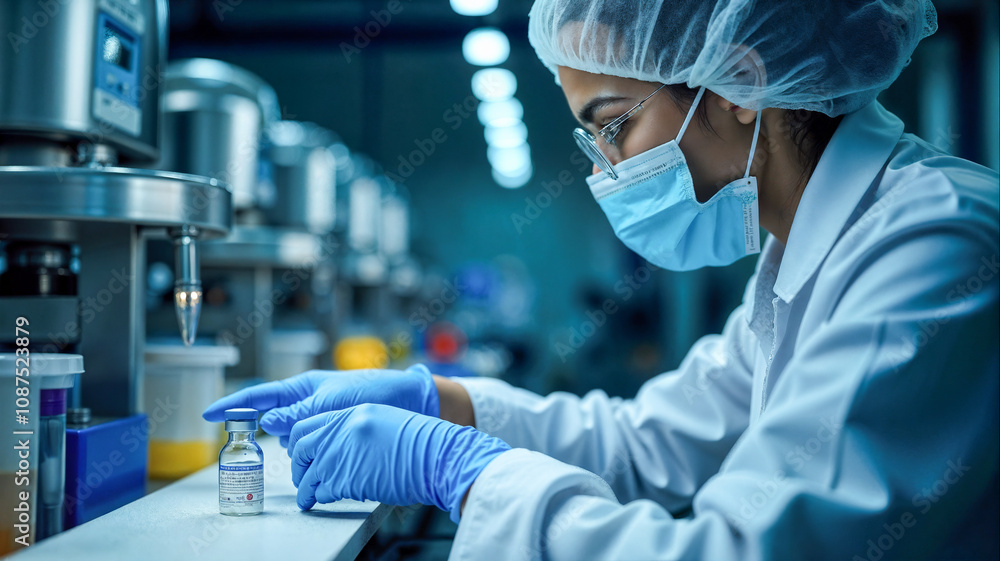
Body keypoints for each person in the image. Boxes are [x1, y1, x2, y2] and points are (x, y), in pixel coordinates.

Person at [204, 0, 1000, 558]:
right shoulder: (796, 261)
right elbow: (646, 442)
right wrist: (436, 401)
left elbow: (735, 551)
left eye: (614, 124)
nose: (610, 169)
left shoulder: (934, 245)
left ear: (740, 82)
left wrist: (457, 468)